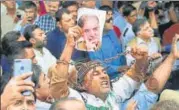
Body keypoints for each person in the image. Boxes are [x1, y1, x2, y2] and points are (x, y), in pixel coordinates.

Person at [49, 23, 179, 109]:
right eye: (96, 74)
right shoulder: (78, 100)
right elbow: (58, 85)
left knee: (149, 90)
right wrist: (70, 45)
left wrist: (141, 59)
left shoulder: (113, 92)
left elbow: (136, 74)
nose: (104, 75)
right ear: (82, 85)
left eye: (103, 72)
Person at [88, 5, 126, 79]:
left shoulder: (112, 31)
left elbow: (120, 53)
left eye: (112, 19)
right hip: (108, 79)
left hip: (123, 75)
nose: (112, 22)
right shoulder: (92, 40)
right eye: (108, 21)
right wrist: (118, 68)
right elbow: (98, 65)